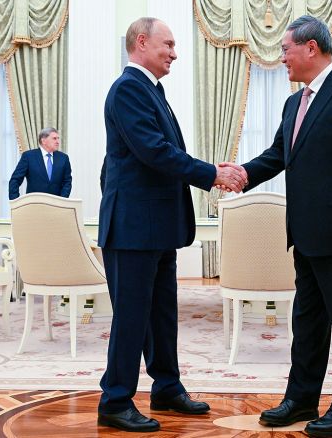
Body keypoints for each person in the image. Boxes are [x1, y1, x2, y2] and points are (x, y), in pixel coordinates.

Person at [220, 15, 332, 437]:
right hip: (306, 234)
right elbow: (279, 154)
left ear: (311, 48)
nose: (282, 59)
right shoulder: (295, 102)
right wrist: (241, 173)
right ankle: (301, 398)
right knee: (307, 322)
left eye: (285, 50)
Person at [96, 17, 246, 433]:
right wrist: (211, 173)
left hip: (154, 226)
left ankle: (166, 386)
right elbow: (154, 151)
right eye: (169, 44)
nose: (175, 53)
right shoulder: (128, 88)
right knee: (131, 316)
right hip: (132, 229)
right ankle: (115, 399)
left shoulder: (151, 92)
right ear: (141, 42)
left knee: (161, 313)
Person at [8, 128, 72, 200]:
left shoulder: (63, 158)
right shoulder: (28, 156)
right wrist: (16, 201)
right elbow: (15, 180)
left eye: (58, 138)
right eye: (54, 138)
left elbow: (67, 182)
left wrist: (62, 200)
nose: (58, 141)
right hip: (34, 204)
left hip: (56, 205)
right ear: (43, 141)